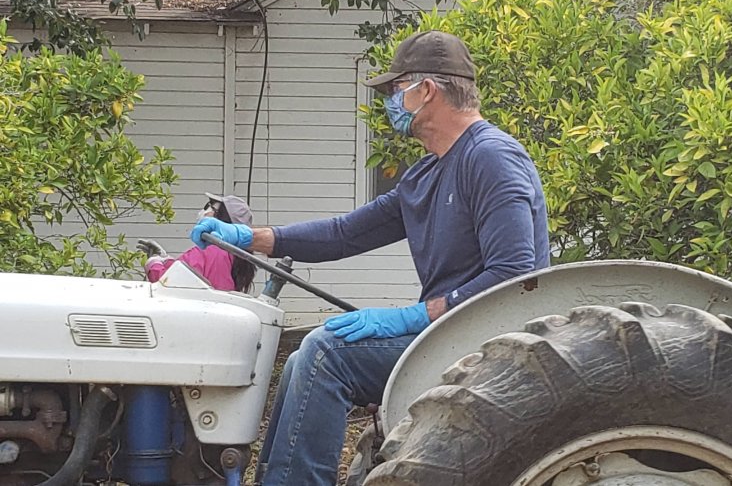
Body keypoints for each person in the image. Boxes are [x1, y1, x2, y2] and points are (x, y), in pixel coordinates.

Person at [190, 30, 551, 485]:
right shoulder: (430, 171)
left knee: (327, 355)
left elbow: (516, 275)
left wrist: (414, 316)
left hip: (489, 342)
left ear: (427, 90)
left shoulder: (491, 158)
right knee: (309, 351)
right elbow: (344, 235)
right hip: (451, 333)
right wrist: (249, 238)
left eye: (396, 90)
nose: (391, 102)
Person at [138, 193, 257, 293]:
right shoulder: (231, 254)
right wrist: (165, 260)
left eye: (209, 206)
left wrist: (153, 264)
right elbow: (193, 275)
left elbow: (170, 284)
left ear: (221, 218)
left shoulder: (211, 251)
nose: (204, 210)